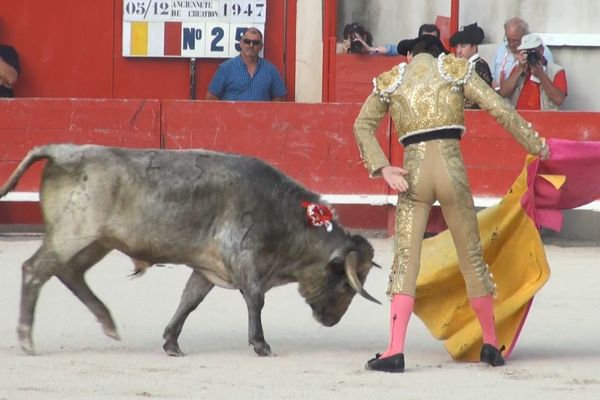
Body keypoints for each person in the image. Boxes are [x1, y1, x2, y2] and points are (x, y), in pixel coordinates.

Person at [353, 34, 550, 373]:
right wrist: (537, 145)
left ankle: (394, 350)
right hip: (451, 168)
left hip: (412, 172)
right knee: (472, 256)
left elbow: (362, 125)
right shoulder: (455, 70)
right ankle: (490, 343)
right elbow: (499, 108)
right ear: (440, 53)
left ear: (410, 56)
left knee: (406, 260)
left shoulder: (393, 79)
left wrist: (383, 167)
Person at [206, 27, 286, 101]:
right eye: (247, 42)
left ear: (261, 46)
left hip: (260, 116)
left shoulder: (271, 70)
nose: (251, 45)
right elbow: (211, 98)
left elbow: (280, 99)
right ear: (241, 43)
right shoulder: (225, 68)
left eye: (255, 43)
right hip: (232, 116)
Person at [498, 33, 567, 110]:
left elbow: (559, 100)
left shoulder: (556, 71)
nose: (531, 54)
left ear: (542, 50)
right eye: (527, 51)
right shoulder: (518, 67)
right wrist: (519, 69)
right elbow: (503, 93)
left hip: (543, 119)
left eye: (534, 51)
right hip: (519, 117)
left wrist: (541, 75)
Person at [492, 17, 553, 90]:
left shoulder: (541, 50)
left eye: (515, 41)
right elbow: (492, 75)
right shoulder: (501, 49)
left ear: (525, 36)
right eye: (508, 40)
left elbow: (550, 80)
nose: (511, 44)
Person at [449, 22, 493, 109]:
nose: (459, 51)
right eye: (457, 47)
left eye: (463, 46)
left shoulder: (479, 66)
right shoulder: (464, 66)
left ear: (474, 47)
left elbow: (478, 98)